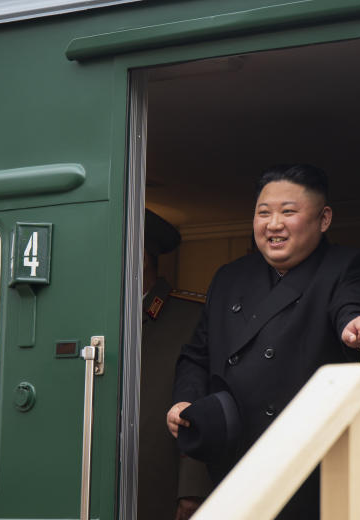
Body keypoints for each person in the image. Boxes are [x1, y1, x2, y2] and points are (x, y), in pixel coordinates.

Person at [166, 164, 360, 519]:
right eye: (264, 213)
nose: (273, 224)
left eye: (288, 212)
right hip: (234, 463)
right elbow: (197, 354)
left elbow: (349, 306)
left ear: (324, 218)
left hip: (307, 466)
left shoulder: (348, 265)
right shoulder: (229, 276)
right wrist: (184, 401)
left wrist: (356, 324)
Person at [138, 210, 213, 520]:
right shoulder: (92, 315)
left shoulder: (192, 316)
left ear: (140, 257)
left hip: (161, 489)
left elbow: (208, 400)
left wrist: (193, 487)